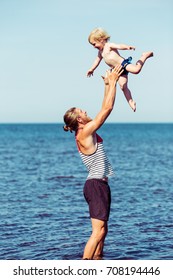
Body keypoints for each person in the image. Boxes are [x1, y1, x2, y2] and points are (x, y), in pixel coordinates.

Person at [63, 65, 123, 260]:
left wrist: (107, 85)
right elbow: (107, 109)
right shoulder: (85, 132)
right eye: (82, 111)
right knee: (97, 232)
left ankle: (98, 263)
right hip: (95, 185)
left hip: (100, 184)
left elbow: (103, 105)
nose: (86, 111)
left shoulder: (85, 130)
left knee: (103, 230)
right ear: (80, 119)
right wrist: (113, 82)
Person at [87, 27, 153, 112]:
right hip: (118, 71)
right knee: (123, 86)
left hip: (123, 64)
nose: (94, 47)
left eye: (94, 44)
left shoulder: (108, 45)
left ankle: (144, 56)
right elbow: (97, 60)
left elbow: (119, 46)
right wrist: (92, 69)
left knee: (136, 70)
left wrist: (127, 47)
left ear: (101, 40)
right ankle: (131, 102)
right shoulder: (100, 52)